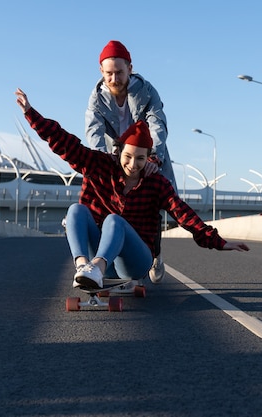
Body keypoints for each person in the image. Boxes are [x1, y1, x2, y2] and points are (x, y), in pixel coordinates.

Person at [16, 88, 249, 290]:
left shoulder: (156, 183)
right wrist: (31, 114)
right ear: (118, 153)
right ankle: (82, 268)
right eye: (127, 157)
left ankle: (95, 269)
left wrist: (218, 242)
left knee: (114, 221)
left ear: (149, 158)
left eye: (140, 159)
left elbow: (182, 213)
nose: (132, 164)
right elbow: (64, 143)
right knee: (76, 210)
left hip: (135, 262)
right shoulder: (100, 165)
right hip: (102, 258)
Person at [85, 40, 175, 284]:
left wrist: (154, 156)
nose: (114, 78)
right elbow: (93, 131)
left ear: (130, 69)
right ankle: (108, 259)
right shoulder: (96, 99)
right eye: (109, 74)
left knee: (153, 203)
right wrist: (101, 161)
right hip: (115, 157)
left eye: (119, 72)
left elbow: (158, 124)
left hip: (147, 154)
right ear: (102, 73)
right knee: (107, 202)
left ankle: (154, 255)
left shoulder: (147, 92)